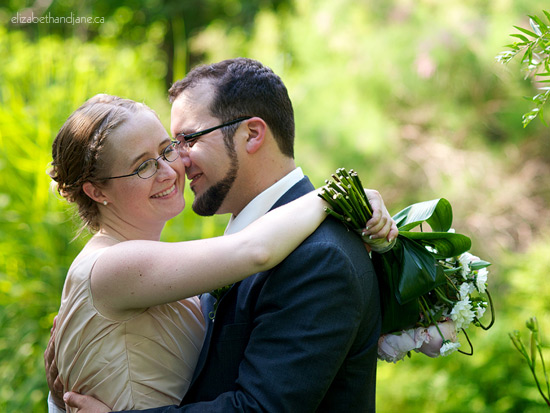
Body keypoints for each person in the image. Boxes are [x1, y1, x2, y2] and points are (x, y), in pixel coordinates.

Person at [45, 82, 395, 411]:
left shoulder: (158, 268)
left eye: (168, 149)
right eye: (143, 166)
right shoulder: (114, 265)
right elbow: (255, 250)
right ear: (97, 191)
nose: (170, 169)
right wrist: (334, 194)